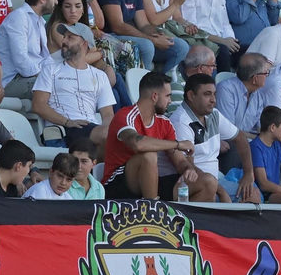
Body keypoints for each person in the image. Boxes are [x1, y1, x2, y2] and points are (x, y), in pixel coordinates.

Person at [102, 70, 193, 199]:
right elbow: (138, 144)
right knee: (148, 156)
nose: (170, 101)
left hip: (149, 182)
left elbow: (179, 161)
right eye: (167, 96)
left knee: (206, 183)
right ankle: (152, 213)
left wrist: (188, 169)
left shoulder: (165, 123)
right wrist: (178, 144)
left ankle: (184, 218)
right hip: (117, 185)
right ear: (155, 96)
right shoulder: (125, 115)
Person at [171, 72, 257, 203]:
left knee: (252, 192)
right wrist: (221, 191)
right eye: (207, 94)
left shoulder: (214, 115)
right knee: (251, 195)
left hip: (215, 179)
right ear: (191, 95)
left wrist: (248, 174)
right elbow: (188, 166)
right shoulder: (181, 122)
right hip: (195, 185)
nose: (213, 100)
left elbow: (240, 138)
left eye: (214, 94)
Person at [32, 24, 116, 147]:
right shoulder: (50, 69)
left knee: (117, 137)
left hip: (91, 129)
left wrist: (108, 129)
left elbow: (108, 114)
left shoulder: (100, 75)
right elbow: (38, 105)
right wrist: (67, 122)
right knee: (112, 136)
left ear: (84, 44)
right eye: (64, 37)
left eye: (70, 38)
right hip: (63, 129)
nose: (64, 41)